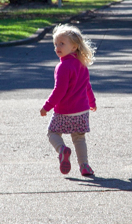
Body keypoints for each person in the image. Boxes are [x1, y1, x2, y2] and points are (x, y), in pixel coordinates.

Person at [40, 24, 97, 176]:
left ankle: (62, 150)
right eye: (55, 44)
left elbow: (59, 90)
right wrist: (92, 102)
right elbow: (87, 86)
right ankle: (84, 165)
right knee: (79, 138)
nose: (57, 47)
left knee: (52, 133)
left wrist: (47, 106)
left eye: (62, 44)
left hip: (64, 111)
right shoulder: (82, 64)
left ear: (74, 47)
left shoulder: (63, 66)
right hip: (82, 111)